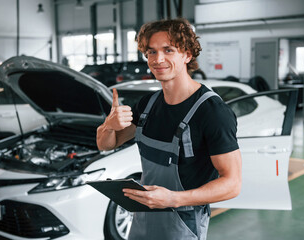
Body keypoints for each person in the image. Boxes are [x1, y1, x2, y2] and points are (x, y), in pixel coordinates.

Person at [96, 18, 242, 240]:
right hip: (143, 216)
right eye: (151, 52)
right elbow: (106, 145)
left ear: (187, 55)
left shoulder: (212, 112)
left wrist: (172, 199)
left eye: (168, 50)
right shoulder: (147, 105)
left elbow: (232, 184)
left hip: (183, 222)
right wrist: (110, 125)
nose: (158, 59)